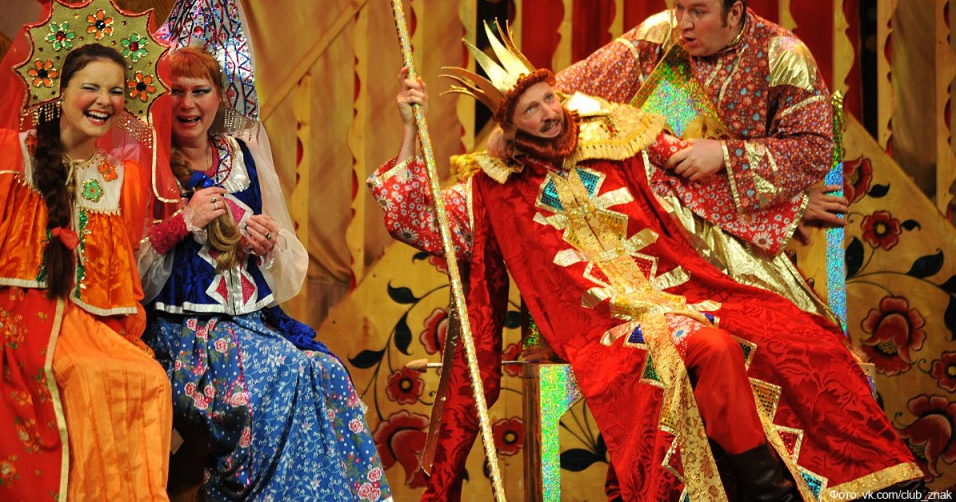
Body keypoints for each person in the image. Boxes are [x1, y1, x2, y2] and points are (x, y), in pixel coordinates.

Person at [368, 27, 925, 501]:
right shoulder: (493, 189)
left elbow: (700, 184)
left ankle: (871, 486)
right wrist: (411, 130)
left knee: (793, 332)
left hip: (685, 295)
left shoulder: (617, 140)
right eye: (531, 110)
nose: (548, 113)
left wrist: (791, 203)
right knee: (713, 347)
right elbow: (416, 219)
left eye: (549, 98)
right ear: (510, 128)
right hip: (602, 327)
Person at [136, 0, 391, 501]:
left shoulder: (243, 155)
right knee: (280, 374)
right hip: (186, 337)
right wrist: (180, 224)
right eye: (176, 91)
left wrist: (270, 242)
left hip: (254, 325)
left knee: (325, 376)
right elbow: (125, 273)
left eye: (200, 91)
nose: (187, 104)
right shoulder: (147, 164)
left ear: (220, 97)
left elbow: (286, 261)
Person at [491, 0, 847, 321]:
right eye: (679, 7)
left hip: (742, 238)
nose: (684, 23)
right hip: (654, 231)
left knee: (784, 329)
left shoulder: (783, 56)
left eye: (698, 11)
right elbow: (574, 87)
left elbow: (814, 149)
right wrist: (514, 121)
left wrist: (725, 156)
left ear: (735, 12)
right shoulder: (660, 35)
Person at [0, 12, 173, 501]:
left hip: (89, 326)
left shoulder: (120, 180)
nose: (105, 101)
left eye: (116, 91)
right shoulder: (12, 156)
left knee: (149, 379)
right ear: (59, 93)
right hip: (18, 321)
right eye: (91, 87)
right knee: (84, 376)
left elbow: (119, 275)